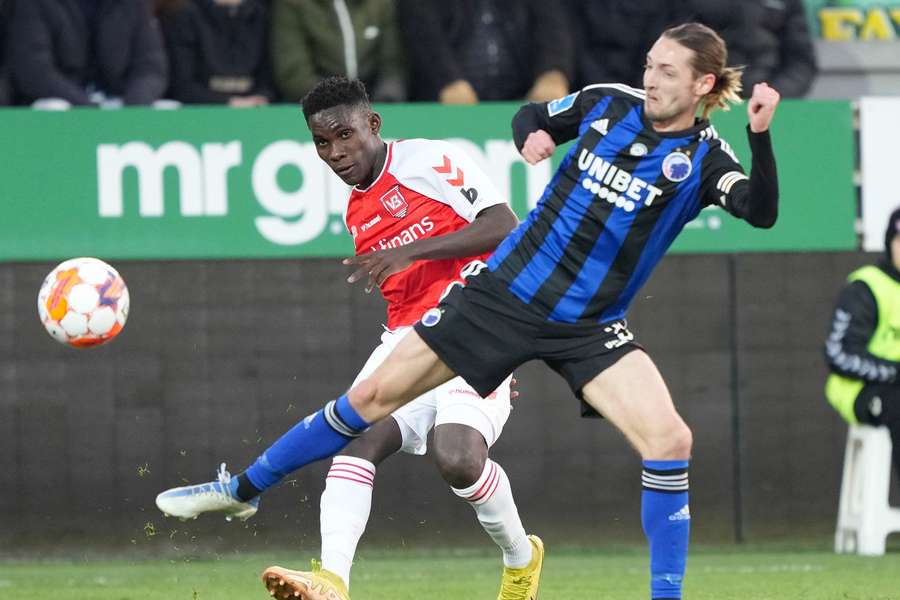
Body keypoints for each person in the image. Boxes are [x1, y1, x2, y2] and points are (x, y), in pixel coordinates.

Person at [158, 22, 780, 600]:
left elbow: (760, 209)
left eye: (667, 71)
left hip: (589, 322)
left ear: (703, 85)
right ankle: (247, 494)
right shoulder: (610, 103)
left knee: (669, 438)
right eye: (649, 64)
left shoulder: (703, 158)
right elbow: (533, 114)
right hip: (505, 297)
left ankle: (632, 588)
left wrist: (759, 136)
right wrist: (533, 135)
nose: (650, 79)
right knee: (367, 409)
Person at [157, 76, 544, 600]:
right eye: (322, 143)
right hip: (409, 337)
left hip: (475, 328)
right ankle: (331, 581)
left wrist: (416, 250)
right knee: (354, 438)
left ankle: (521, 559)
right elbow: (406, 299)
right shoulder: (356, 211)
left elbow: (503, 224)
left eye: (344, 135)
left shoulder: (429, 161)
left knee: (455, 457)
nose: (335, 152)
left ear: (373, 124)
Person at [825, 207, 900, 491]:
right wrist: (894, 372)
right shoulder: (867, 285)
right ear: (890, 242)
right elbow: (838, 353)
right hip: (859, 388)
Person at [396, 0, 572, 103]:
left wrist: (553, 74)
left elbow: (553, 28)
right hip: (446, 103)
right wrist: (447, 81)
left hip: (523, 96)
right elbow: (422, 31)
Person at [9, 0, 167, 107]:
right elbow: (34, 70)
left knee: (166, 110)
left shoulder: (133, 4)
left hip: (119, 102)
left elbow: (151, 67)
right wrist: (87, 105)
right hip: (62, 104)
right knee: (54, 107)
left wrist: (134, 103)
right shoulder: (34, 3)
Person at [270, 0, 405, 103]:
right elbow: (295, 73)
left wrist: (387, 98)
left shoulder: (380, 4)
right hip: (315, 105)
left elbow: (392, 62)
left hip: (375, 102)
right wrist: (338, 103)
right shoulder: (294, 4)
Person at [159, 0, 275, 106]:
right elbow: (182, 84)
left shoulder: (263, 15)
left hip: (256, 112)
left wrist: (262, 97)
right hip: (199, 113)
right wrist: (229, 102)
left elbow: (270, 80)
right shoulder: (184, 15)